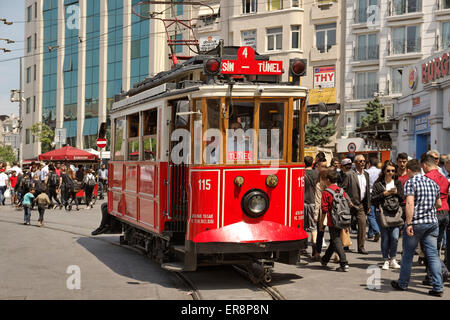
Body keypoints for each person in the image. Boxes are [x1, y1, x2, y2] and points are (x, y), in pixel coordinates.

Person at [391, 159, 443, 297]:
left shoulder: (411, 182)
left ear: (408, 170)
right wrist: (428, 208)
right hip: (432, 223)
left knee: (408, 255)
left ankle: (403, 283)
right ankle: (438, 287)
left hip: (416, 224)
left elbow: (409, 203)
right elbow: (438, 204)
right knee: (433, 255)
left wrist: (408, 223)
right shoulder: (433, 183)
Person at [371, 161, 404, 270]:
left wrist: (395, 193)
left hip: (395, 214)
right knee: (385, 238)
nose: (390, 173)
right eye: (388, 170)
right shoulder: (378, 184)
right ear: (384, 171)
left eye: (393, 171)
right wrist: (384, 194)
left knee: (394, 237)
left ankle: (393, 259)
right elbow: (373, 199)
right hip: (382, 213)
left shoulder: (398, 183)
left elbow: (402, 198)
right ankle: (386, 260)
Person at [319, 170, 350, 272]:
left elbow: (324, 209)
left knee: (336, 239)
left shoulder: (326, 192)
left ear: (328, 180)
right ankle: (325, 259)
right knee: (334, 240)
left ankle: (344, 263)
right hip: (343, 218)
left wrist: (321, 223)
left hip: (333, 220)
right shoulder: (341, 191)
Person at [341, 154, 371, 254]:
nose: (362, 163)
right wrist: (348, 201)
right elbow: (343, 190)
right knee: (346, 225)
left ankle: (361, 247)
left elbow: (367, 191)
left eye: (363, 161)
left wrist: (368, 205)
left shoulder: (366, 174)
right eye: (360, 161)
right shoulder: (349, 174)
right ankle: (345, 244)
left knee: (362, 225)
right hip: (350, 205)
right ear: (355, 163)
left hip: (361, 205)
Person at [313, 169, 330, 260]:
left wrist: (316, 215)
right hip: (332, 213)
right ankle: (336, 254)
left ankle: (317, 253)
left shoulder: (319, 185)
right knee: (334, 235)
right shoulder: (332, 185)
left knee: (320, 233)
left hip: (322, 213)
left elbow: (318, 201)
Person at [304, 156, 319, 257]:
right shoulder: (316, 173)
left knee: (302, 227)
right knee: (314, 227)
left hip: (303, 202)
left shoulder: (301, 173)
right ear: (312, 163)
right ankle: (314, 244)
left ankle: (302, 248)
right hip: (314, 201)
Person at [365, 157, 381, 242]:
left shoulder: (366, 172)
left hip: (370, 193)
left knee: (370, 214)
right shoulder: (380, 172)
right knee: (375, 213)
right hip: (378, 193)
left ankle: (376, 231)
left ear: (369, 164)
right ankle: (370, 233)